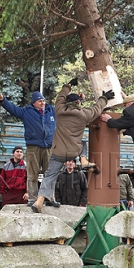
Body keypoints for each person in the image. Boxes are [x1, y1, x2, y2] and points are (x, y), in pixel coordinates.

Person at [32, 78, 113, 213]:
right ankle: (83, 159)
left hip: (58, 152)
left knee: (50, 175)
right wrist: (104, 98)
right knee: (83, 142)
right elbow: (97, 109)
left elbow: (60, 97)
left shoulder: (59, 111)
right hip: (74, 152)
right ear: (78, 103)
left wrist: (68, 85)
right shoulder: (84, 114)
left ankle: (39, 201)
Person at [0, 89, 56, 204]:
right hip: (33, 146)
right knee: (33, 174)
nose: (42, 103)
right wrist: (3, 100)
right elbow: (13, 109)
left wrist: (76, 101)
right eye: (39, 101)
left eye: (43, 100)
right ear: (34, 103)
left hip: (49, 147)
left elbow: (64, 109)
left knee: (49, 175)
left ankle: (49, 198)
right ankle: (33, 199)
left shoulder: (51, 110)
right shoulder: (26, 112)